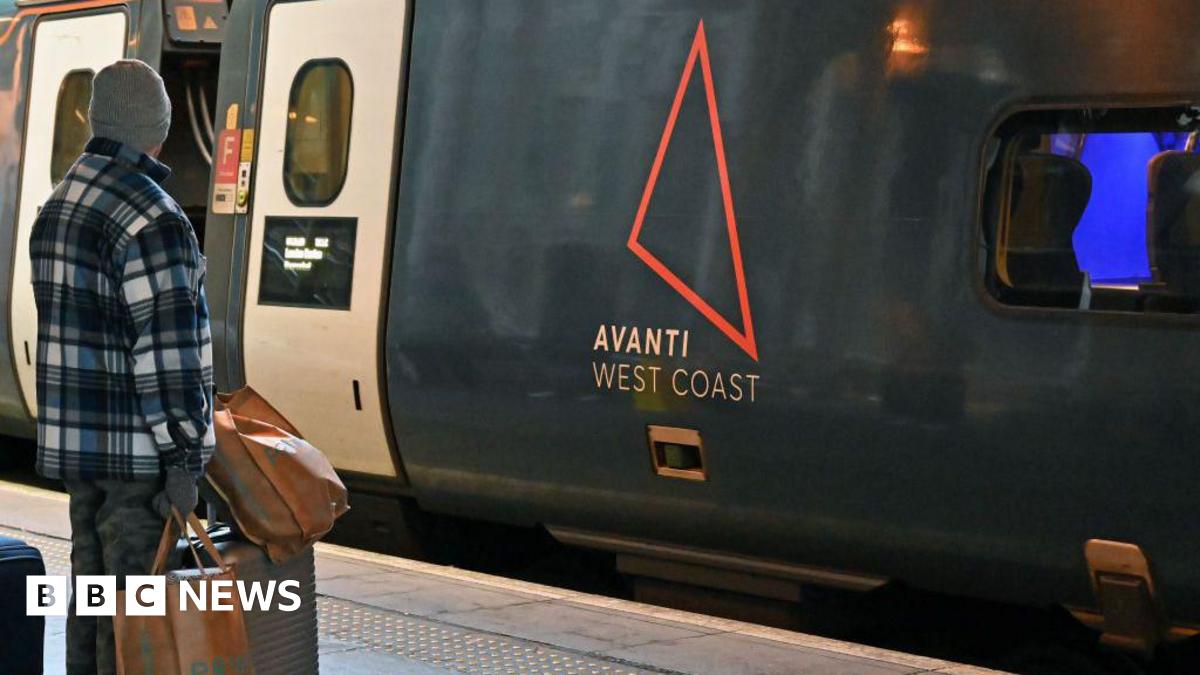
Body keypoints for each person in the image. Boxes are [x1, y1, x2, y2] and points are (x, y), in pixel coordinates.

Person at [29, 59, 214, 675]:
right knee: (137, 626)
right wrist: (187, 460)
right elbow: (169, 357)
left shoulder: (60, 204)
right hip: (139, 462)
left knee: (91, 603)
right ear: (157, 128)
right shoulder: (154, 219)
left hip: (79, 454)